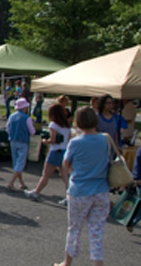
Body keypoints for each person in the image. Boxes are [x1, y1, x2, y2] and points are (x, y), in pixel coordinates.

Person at [53, 107, 110, 266]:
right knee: (97, 231)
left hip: (80, 190)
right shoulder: (105, 139)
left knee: (74, 229)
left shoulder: (75, 142)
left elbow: (66, 164)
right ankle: (97, 263)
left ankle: (67, 262)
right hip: (101, 189)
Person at [25, 104, 71, 205]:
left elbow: (53, 140)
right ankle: (70, 196)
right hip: (64, 151)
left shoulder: (53, 125)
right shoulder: (67, 125)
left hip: (55, 151)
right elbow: (68, 139)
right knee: (65, 176)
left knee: (46, 174)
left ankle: (36, 192)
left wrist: (46, 141)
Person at [6, 98, 35, 192]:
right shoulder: (27, 118)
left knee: (16, 163)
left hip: (13, 140)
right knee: (20, 163)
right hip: (23, 141)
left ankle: (21, 182)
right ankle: (11, 182)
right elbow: (32, 131)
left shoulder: (11, 116)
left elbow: (7, 129)